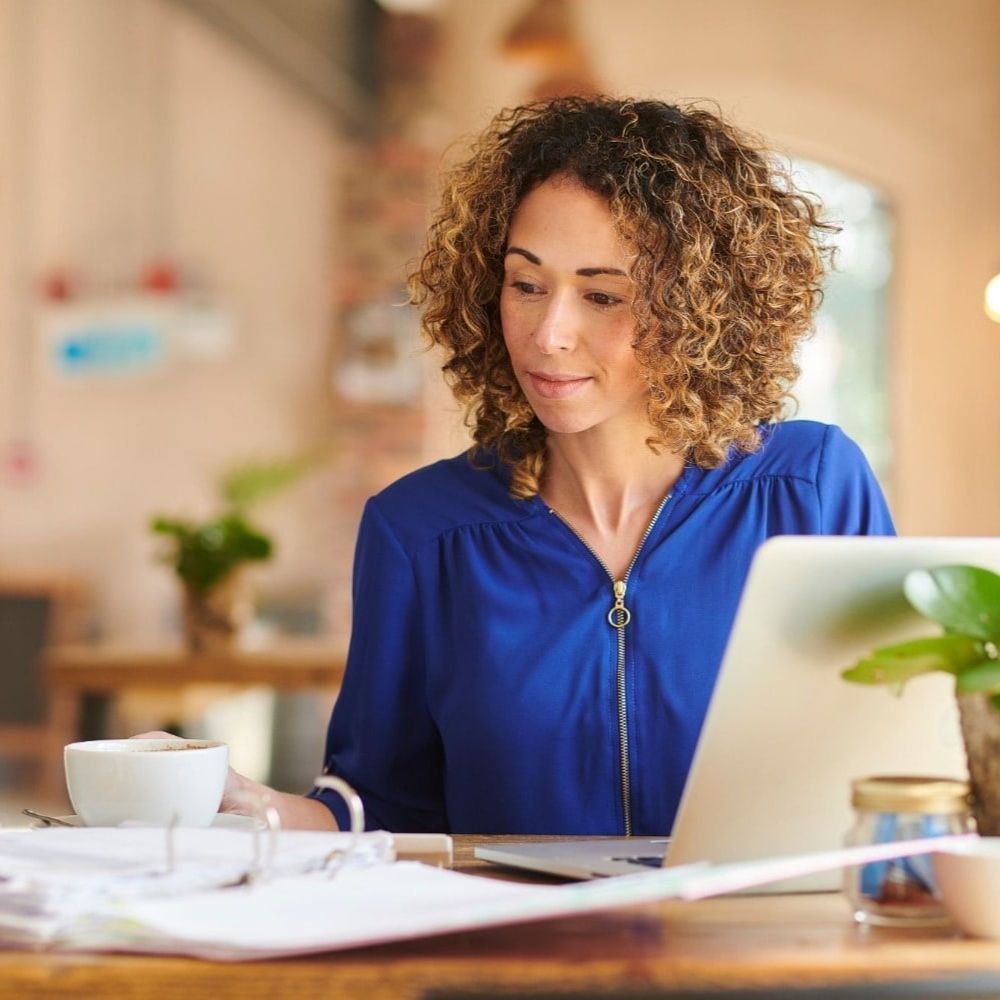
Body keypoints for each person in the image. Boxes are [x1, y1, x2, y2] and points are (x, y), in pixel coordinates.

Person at [216, 96, 895, 835]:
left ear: (702, 309)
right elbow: (383, 811)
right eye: (527, 285)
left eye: (603, 295)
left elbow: (902, 771)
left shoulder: (810, 490)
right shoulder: (419, 532)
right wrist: (247, 805)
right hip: (520, 949)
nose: (549, 334)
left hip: (760, 943)